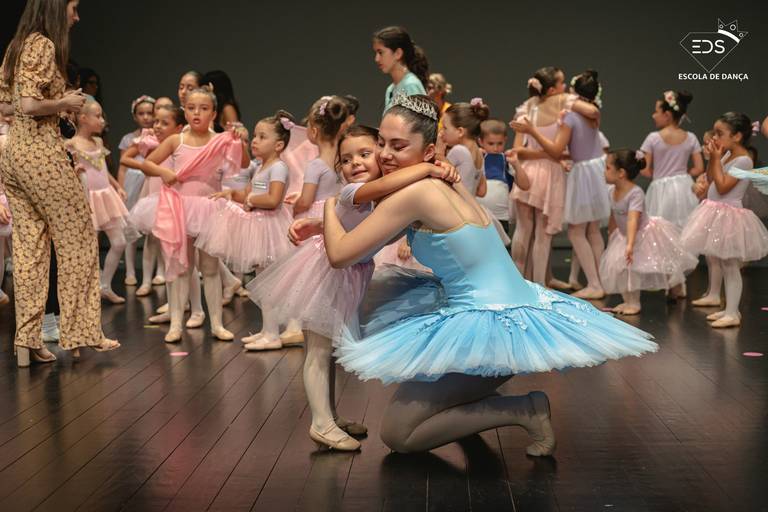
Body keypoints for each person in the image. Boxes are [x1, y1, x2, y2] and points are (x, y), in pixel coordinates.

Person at [325, 94, 657, 454]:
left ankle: (524, 410)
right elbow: (372, 240)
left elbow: (340, 255)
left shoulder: (417, 192)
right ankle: (485, 403)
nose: (385, 155)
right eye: (382, 143)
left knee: (398, 435)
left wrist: (328, 207)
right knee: (404, 422)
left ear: (429, 151)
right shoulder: (443, 182)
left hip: (488, 326)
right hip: (509, 318)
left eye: (398, 145)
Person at [0, 0, 120, 367]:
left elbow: (6, 107)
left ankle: (27, 341)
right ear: (55, 8)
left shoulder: (16, 46)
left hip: (13, 156)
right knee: (79, 238)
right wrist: (64, 101)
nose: (77, 17)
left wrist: (54, 106)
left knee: (29, 248)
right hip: (41, 157)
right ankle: (82, 331)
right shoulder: (42, 44)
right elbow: (29, 104)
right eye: (73, 8)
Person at [681, 113, 768, 328]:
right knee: (721, 261)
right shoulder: (727, 155)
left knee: (730, 265)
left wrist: (715, 159)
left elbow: (722, 187)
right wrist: (714, 159)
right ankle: (728, 308)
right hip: (716, 211)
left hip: (730, 215)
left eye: (719, 133)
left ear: (737, 136)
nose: (715, 138)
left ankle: (733, 312)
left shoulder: (744, 160)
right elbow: (711, 178)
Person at [599, 148, 697, 314]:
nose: (604, 171)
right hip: (624, 236)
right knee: (622, 269)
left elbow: (633, 219)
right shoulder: (611, 191)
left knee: (651, 266)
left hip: (643, 234)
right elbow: (614, 215)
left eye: (607, 168)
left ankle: (669, 287)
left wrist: (630, 244)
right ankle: (628, 301)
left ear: (621, 173)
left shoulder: (635, 193)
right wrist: (612, 234)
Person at [373, 26, 428, 114]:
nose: (377, 59)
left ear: (398, 53)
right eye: (376, 53)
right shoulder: (390, 89)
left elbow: (419, 122)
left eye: (381, 52)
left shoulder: (411, 85)